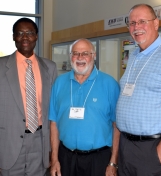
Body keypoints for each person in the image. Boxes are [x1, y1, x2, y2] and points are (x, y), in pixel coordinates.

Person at [116, 4, 161, 176]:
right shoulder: (134, 56)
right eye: (132, 23)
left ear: (156, 23)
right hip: (126, 145)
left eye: (142, 21)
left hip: (151, 148)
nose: (136, 27)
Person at [49, 38, 120, 176]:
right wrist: (54, 159)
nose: (80, 58)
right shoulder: (59, 83)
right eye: (75, 53)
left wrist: (113, 162)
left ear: (94, 56)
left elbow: (117, 126)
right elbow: (53, 123)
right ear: (70, 57)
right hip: (66, 158)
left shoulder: (110, 84)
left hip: (98, 159)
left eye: (85, 53)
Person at [0, 18, 57, 176]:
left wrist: (53, 151)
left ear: (37, 36)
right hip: (8, 145)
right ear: (13, 37)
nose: (25, 37)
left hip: (40, 143)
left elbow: (53, 110)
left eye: (30, 33)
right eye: (20, 33)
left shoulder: (50, 68)